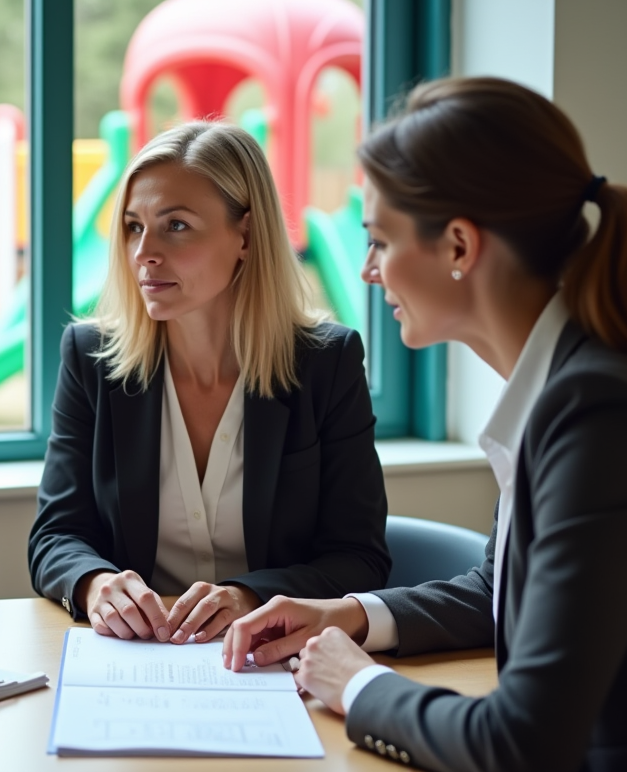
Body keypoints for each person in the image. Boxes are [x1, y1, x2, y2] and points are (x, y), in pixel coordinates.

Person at [223, 77, 627, 771]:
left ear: (458, 247)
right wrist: (347, 615)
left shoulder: (600, 411)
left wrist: (356, 684)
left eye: (381, 240)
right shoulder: (573, 383)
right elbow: (502, 586)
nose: (368, 271)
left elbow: (522, 742)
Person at [28, 122, 390, 646]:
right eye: (134, 226)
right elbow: (56, 535)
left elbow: (360, 558)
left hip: (272, 660)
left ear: (244, 235)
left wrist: (250, 596)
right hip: (136, 659)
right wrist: (94, 583)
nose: (144, 253)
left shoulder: (326, 363)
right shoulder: (90, 359)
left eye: (176, 226)